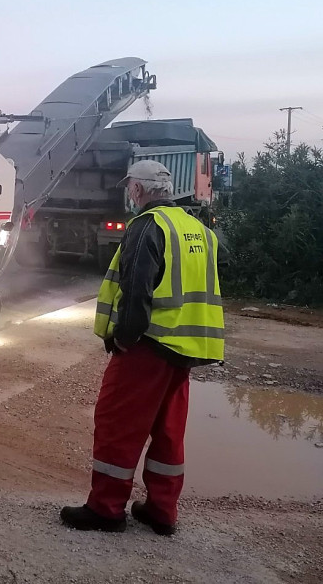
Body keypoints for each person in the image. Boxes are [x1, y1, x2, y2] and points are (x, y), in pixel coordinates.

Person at [60, 160, 225, 536]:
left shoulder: (147, 227)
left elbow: (137, 290)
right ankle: (162, 511)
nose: (129, 194)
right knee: (168, 431)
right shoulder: (194, 227)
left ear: (137, 190)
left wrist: (123, 337)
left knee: (118, 423)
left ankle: (105, 509)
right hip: (185, 348)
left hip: (148, 345)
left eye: (129, 188)